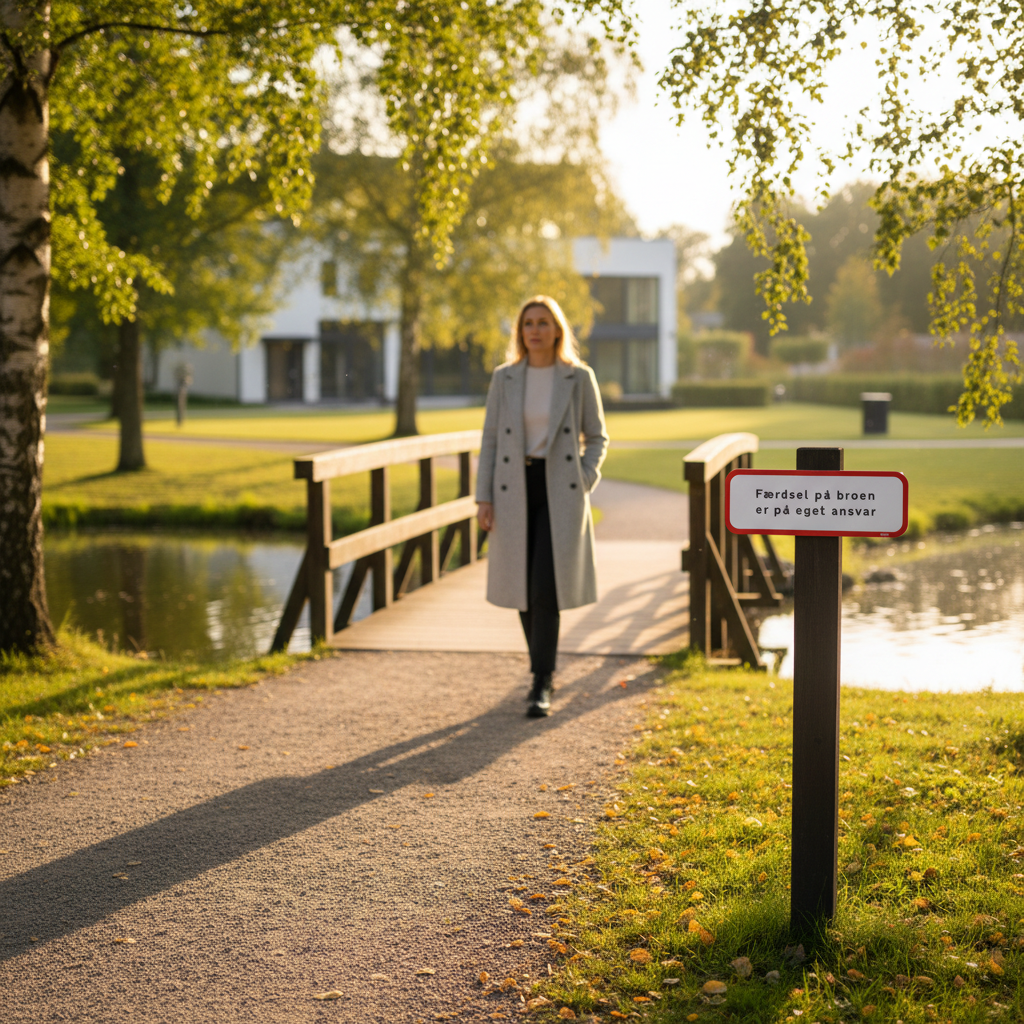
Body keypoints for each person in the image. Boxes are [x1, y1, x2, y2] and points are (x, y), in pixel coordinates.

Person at [476, 295, 609, 718]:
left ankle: (541, 680)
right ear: (521, 331)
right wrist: (484, 497)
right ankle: (542, 669)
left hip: (560, 489)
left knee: (545, 586)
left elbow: (597, 437)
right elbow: (490, 440)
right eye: (528, 322)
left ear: (557, 330)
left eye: (543, 322)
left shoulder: (578, 377)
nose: (535, 329)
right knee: (521, 585)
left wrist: (583, 478)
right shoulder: (505, 378)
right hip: (513, 488)